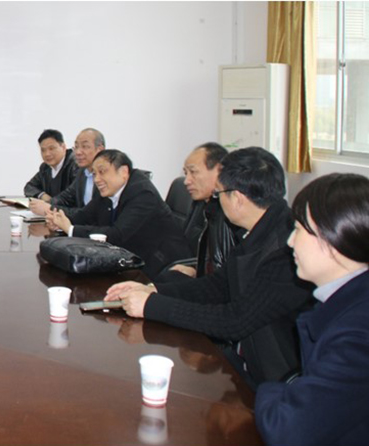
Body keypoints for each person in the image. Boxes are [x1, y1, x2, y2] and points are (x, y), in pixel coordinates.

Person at [105, 147, 314, 387]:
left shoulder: (285, 250)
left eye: (219, 193)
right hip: (250, 364)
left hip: (275, 384)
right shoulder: (257, 231)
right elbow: (219, 286)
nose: (217, 199)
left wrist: (152, 305)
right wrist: (153, 290)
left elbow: (235, 320)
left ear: (237, 198)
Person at [255, 173, 369, 446]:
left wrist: (270, 389)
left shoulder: (357, 337)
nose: (290, 242)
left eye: (298, 230)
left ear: (334, 239)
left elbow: (286, 430)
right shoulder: (347, 300)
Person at [45, 149, 191, 278]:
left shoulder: (142, 193)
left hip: (162, 265)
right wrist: (59, 221)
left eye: (102, 172)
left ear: (123, 172)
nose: (96, 179)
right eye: (94, 174)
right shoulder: (108, 190)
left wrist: (70, 229)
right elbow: (84, 215)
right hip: (130, 256)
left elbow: (117, 235)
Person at [156, 142, 240, 282]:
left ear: (219, 170)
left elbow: (226, 273)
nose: (186, 181)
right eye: (186, 173)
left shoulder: (230, 213)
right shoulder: (204, 204)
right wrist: (196, 269)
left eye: (193, 172)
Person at [29, 128, 105, 218]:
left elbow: (89, 214)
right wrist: (43, 204)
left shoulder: (107, 176)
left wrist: (49, 208)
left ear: (100, 149)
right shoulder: (83, 173)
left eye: (85, 146)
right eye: (76, 147)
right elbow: (65, 198)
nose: (78, 152)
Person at [23, 129, 78, 201]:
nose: (47, 154)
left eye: (51, 148)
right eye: (43, 150)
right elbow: (29, 187)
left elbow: (72, 195)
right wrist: (42, 195)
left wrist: (50, 203)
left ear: (63, 147)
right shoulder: (45, 168)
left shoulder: (75, 165)